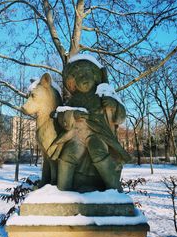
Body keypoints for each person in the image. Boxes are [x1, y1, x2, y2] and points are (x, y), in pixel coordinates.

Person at [51, 55, 130, 192]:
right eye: (80, 76)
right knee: (67, 156)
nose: (84, 78)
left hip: (97, 135)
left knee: (98, 151)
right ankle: (63, 190)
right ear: (73, 82)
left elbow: (120, 118)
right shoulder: (73, 101)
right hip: (76, 136)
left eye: (87, 74)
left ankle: (114, 189)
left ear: (95, 76)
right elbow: (62, 116)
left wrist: (114, 105)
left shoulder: (102, 96)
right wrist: (72, 115)